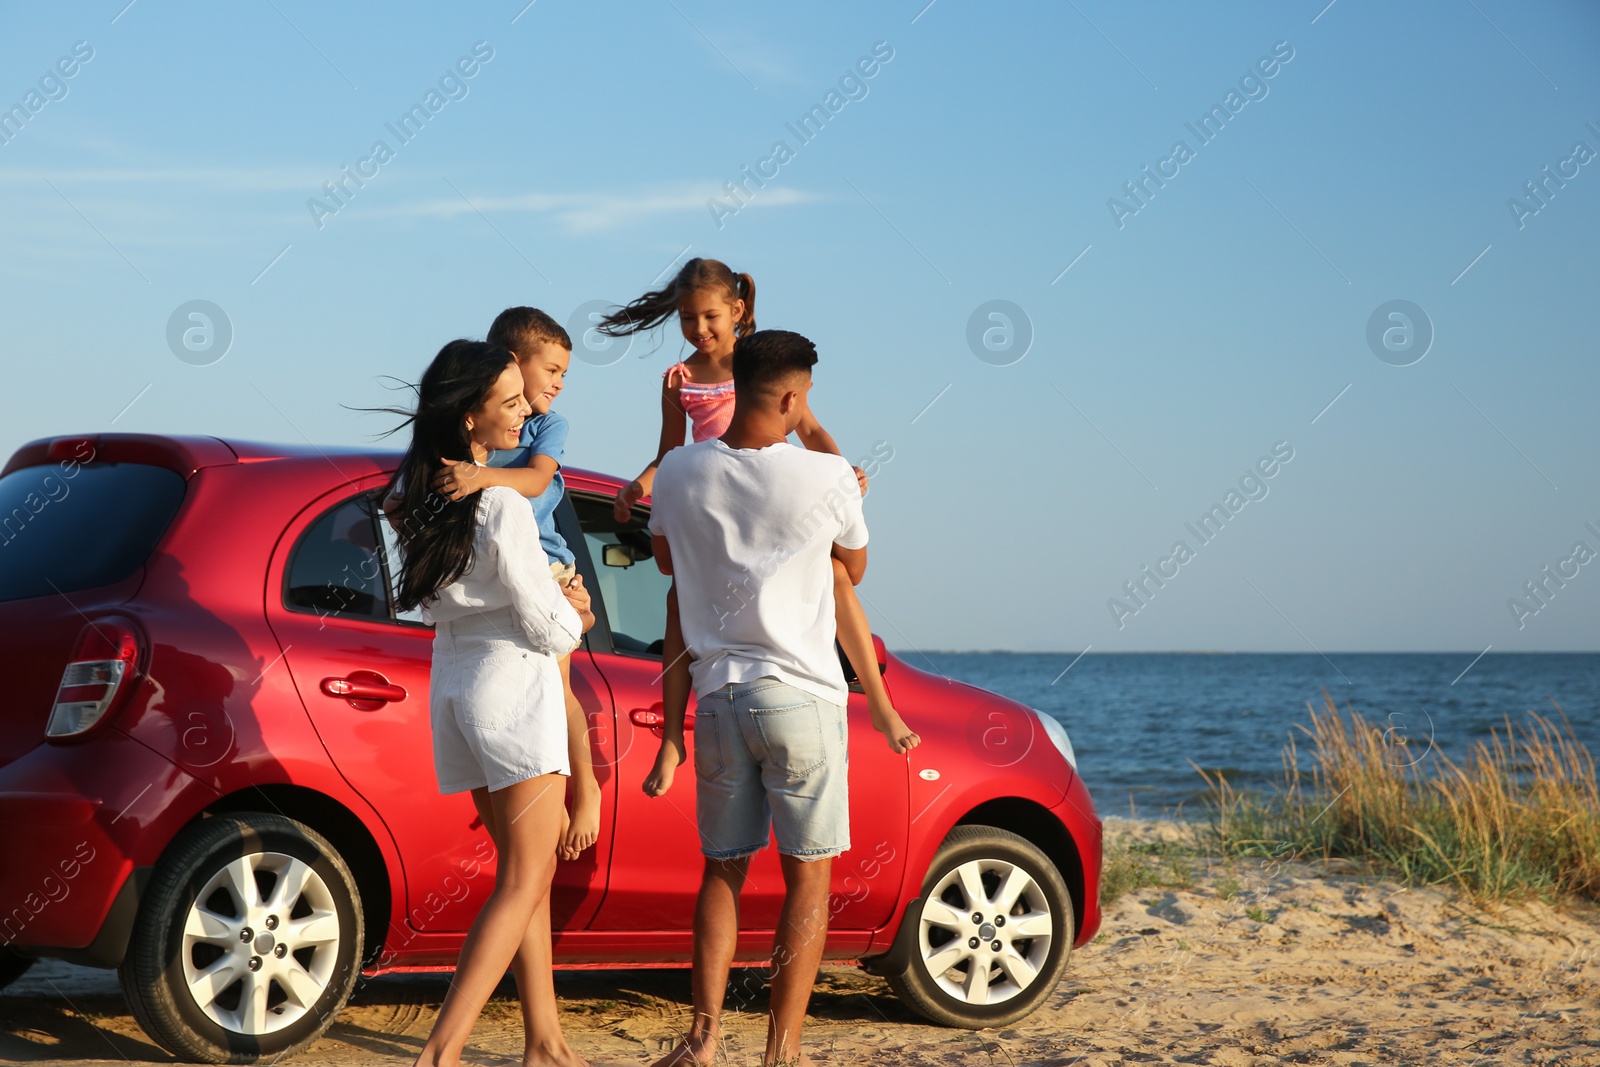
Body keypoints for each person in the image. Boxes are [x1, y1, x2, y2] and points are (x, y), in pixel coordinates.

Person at [641, 329, 876, 1067]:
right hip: (801, 696)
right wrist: (816, 442)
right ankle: (782, 1051)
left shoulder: (678, 471)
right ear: (791, 397)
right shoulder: (825, 473)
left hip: (717, 700)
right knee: (808, 878)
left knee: (723, 869)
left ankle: (704, 1038)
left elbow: (663, 559)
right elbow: (857, 569)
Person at [599, 258, 918, 754]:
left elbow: (809, 430)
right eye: (686, 318)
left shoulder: (760, 366)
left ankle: (879, 700)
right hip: (718, 497)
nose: (698, 329)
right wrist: (636, 489)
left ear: (736, 309)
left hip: (773, 490)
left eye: (710, 316)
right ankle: (670, 738)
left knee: (835, 575)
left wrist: (841, 476)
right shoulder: (679, 379)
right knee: (678, 598)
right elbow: (668, 455)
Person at [383, 339, 595, 1067]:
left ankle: (545, 1042)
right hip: (514, 688)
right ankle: (439, 1053)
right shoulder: (502, 502)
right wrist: (580, 615)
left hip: (458, 692)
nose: (524, 413)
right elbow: (545, 624)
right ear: (470, 416)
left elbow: (420, 603)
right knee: (524, 879)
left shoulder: (418, 498)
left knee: (519, 876)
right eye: (509, 402)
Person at [429, 308, 601, 862]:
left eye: (564, 374)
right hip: (506, 601)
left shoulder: (546, 427)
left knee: (562, 691)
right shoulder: (481, 429)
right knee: (524, 876)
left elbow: (536, 479)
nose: (557, 383)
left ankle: (587, 791)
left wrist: (480, 477)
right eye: (550, 369)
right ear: (509, 364)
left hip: (549, 568)